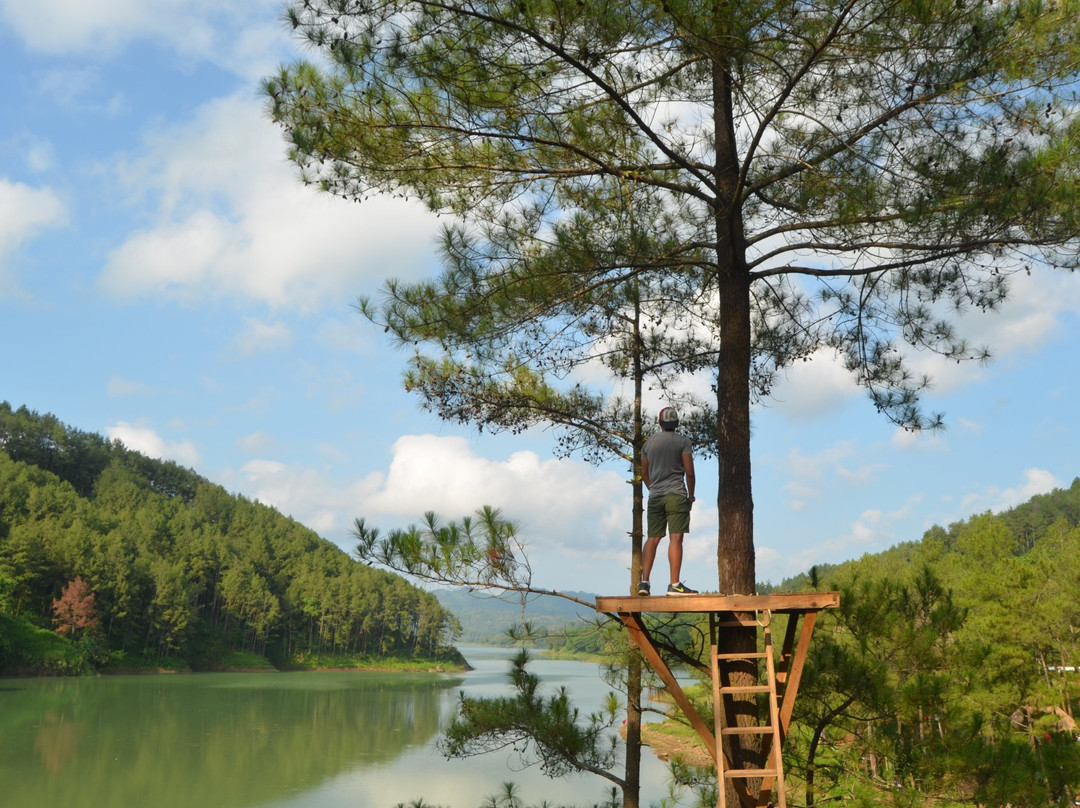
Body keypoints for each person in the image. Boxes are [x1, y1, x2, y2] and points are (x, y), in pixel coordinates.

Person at [639, 406, 698, 596]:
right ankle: (674, 584)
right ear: (676, 423)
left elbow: (644, 473)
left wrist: (653, 488)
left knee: (653, 538)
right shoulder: (683, 441)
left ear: (660, 422)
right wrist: (691, 495)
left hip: (655, 496)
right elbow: (689, 471)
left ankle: (644, 583)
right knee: (675, 538)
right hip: (676, 494)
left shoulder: (648, 445)